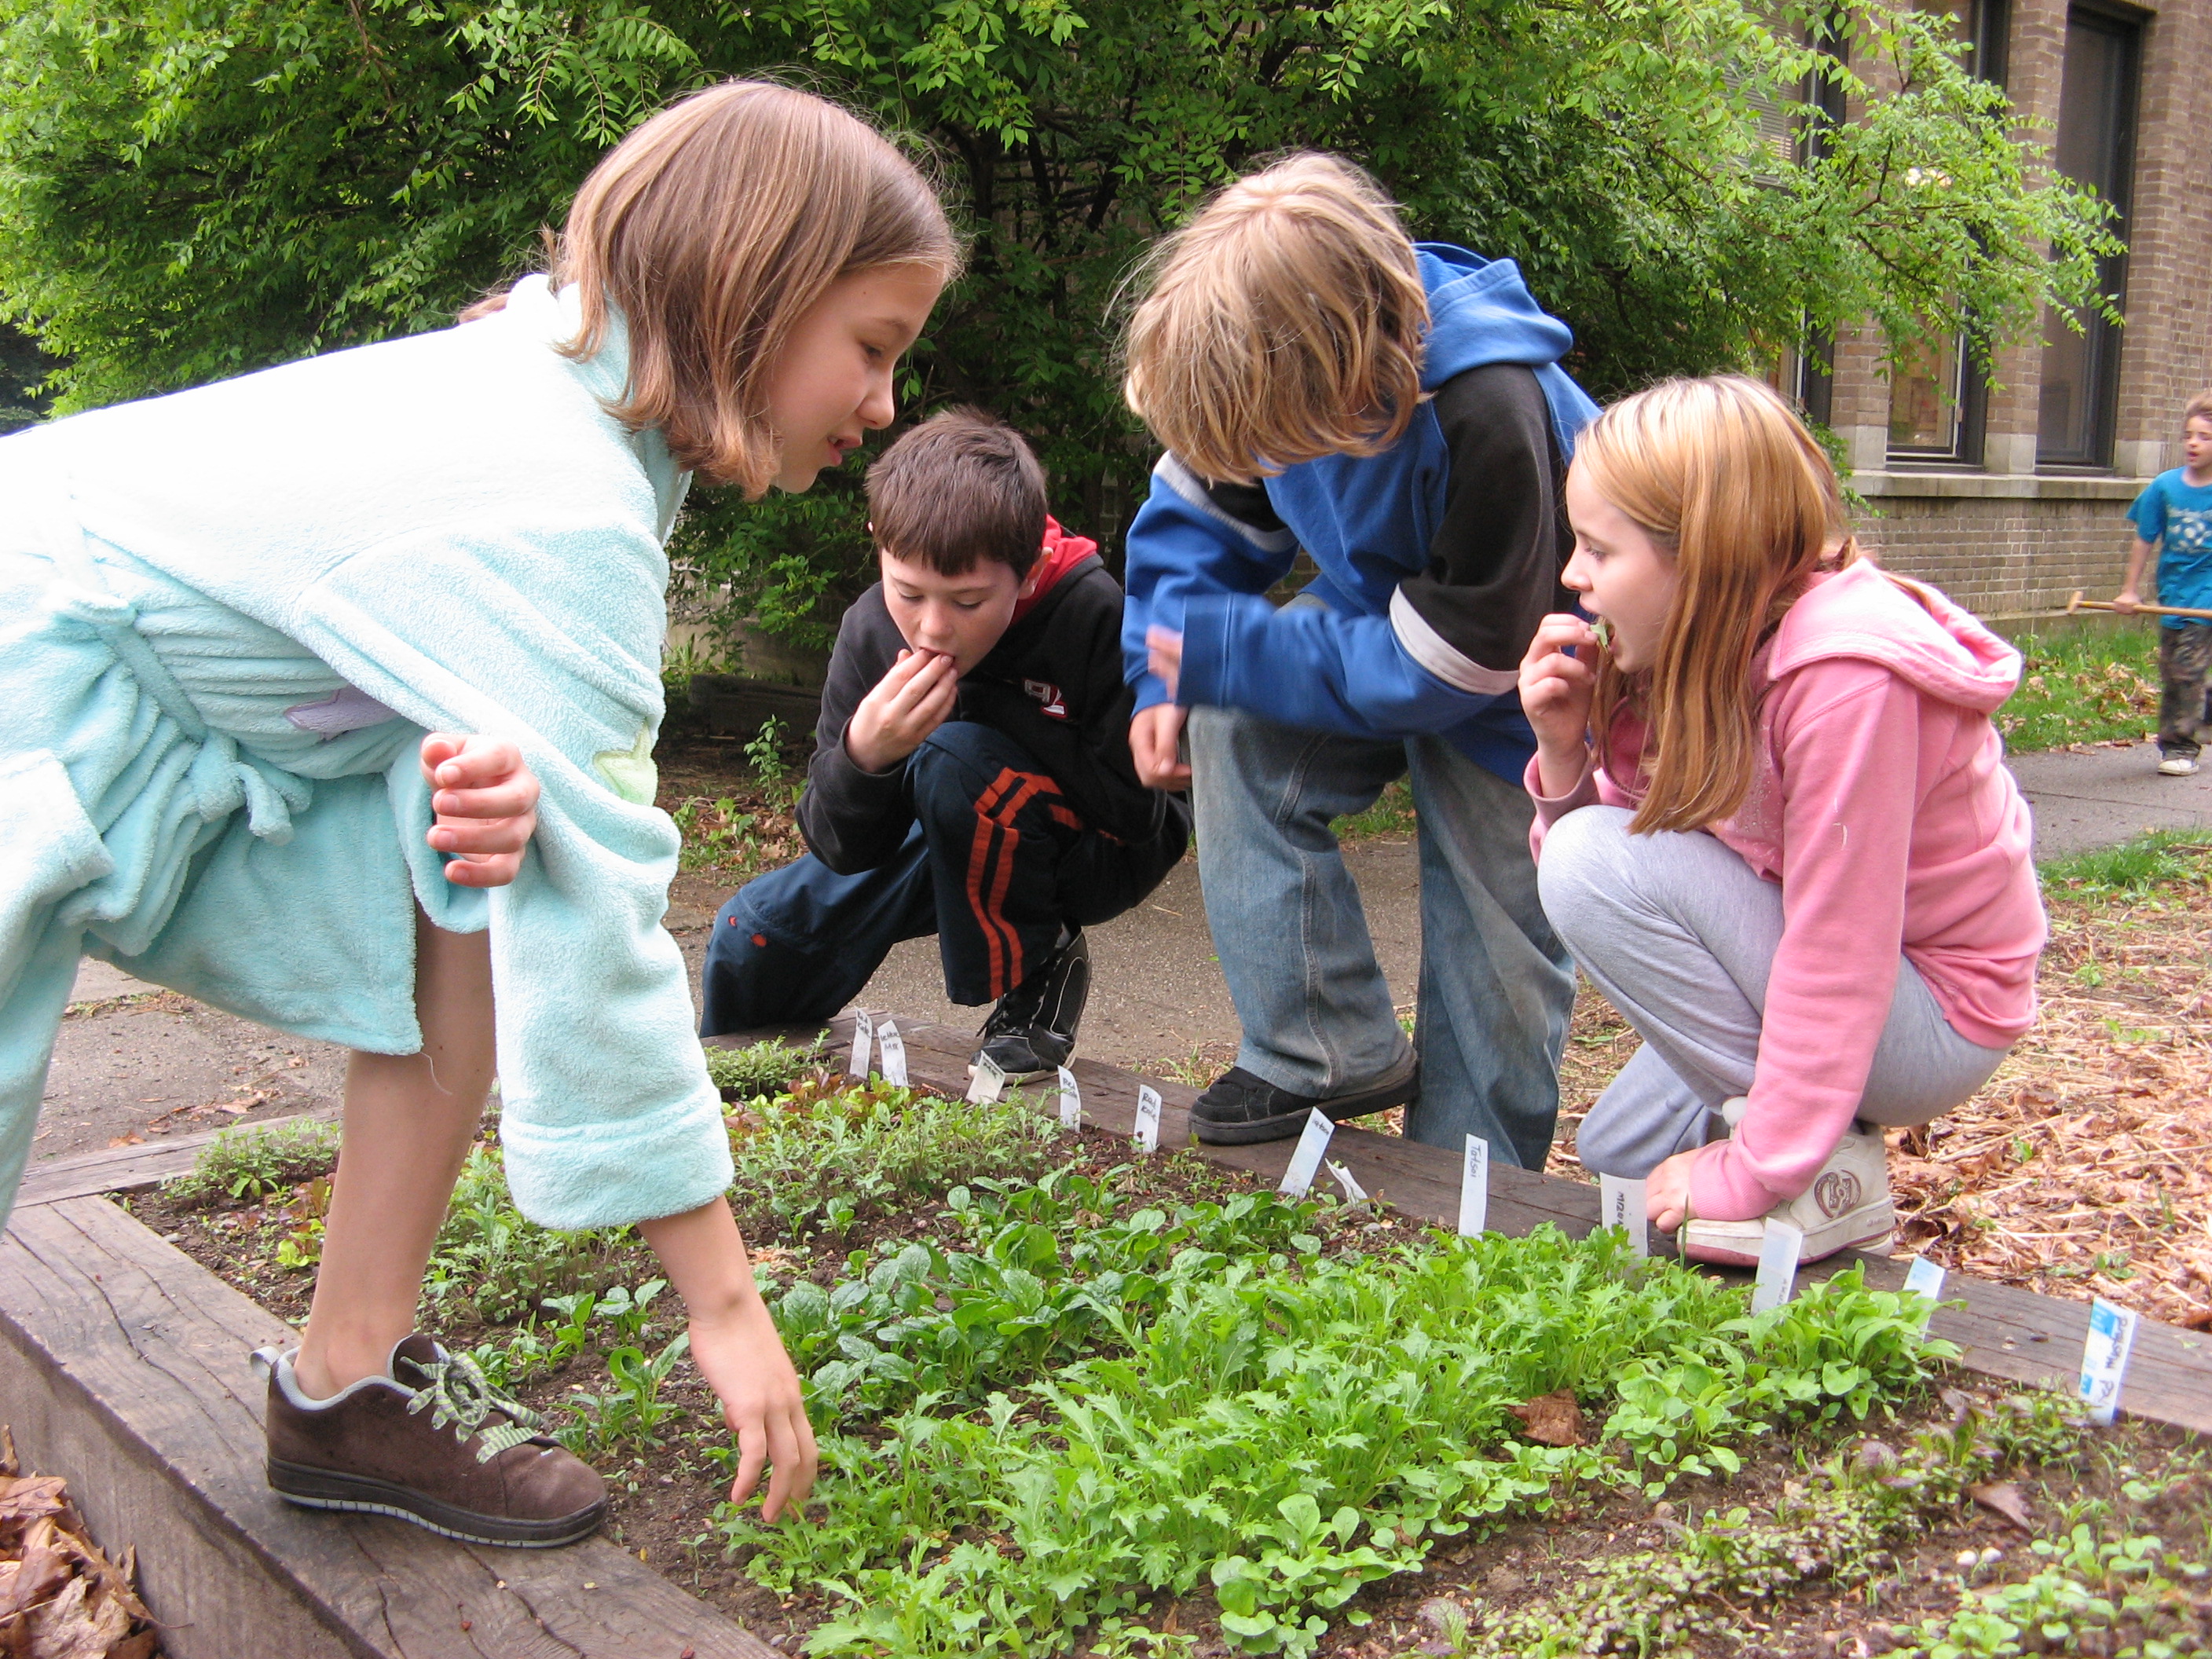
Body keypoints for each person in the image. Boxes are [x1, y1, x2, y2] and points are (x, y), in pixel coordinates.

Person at [0, 80, 961, 1543]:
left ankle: (345, 1382)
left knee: (468, 862)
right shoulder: (562, 496)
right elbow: (604, 919)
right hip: (33, 676)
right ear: (754, 293)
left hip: (116, 706)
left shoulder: (558, 394)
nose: (886, 405)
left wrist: (476, 773)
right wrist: (724, 1296)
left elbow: (480, 784)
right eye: (872, 348)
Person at [1119, 153, 1595, 1163]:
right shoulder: (1258, 370)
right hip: (1391, 611)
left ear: (1351, 383)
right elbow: (1193, 530)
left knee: (1494, 952)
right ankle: (1322, 1050)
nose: (1256, 463)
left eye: (1272, 445)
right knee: (1230, 716)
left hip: (1530, 681)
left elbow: (1453, 666)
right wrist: (1162, 667)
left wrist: (1217, 646)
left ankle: (1471, 1195)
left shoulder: (1490, 412)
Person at [1515, 375, 2045, 1265]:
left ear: (1704, 560)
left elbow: (1838, 948)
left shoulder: (1845, 680)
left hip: (1930, 1011)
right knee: (1620, 1158)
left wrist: (1761, 1167)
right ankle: (1798, 1145)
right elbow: (1656, 865)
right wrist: (1567, 752)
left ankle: (1824, 1175)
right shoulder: (1712, 646)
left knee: (1580, 861)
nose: (1572, 576)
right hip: (1840, 964)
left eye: (1598, 551)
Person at [701, 410, 1191, 1076]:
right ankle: (733, 1086)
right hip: (946, 824)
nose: (931, 628)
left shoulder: (1092, 612)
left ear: (1031, 568)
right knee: (753, 932)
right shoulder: (871, 628)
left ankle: (1040, 960)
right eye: (909, 592)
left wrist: (981, 703)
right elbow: (838, 844)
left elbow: (1139, 815)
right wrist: (864, 755)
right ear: (878, 542)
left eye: (967, 603)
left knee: (955, 760)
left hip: (1093, 848)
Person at [2114, 390, 2212, 777]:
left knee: (2187, 668)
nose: (2193, 443)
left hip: (2206, 596)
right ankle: (2201, 713)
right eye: (2189, 434)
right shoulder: (2165, 487)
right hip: (2176, 595)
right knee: (2175, 670)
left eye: (2205, 436)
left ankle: (2180, 746)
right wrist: (2129, 590)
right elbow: (2145, 539)